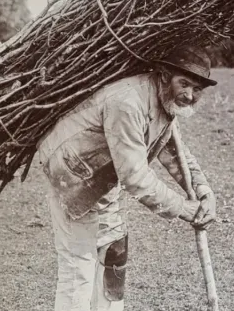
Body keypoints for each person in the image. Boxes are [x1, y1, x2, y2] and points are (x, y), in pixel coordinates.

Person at [36, 44, 218, 311]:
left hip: (106, 178)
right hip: (73, 175)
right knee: (79, 271)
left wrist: (204, 191)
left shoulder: (165, 99)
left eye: (197, 89)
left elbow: (174, 151)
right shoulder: (127, 101)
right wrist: (183, 208)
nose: (190, 95)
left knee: (113, 260)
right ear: (165, 76)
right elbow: (135, 177)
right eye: (185, 84)